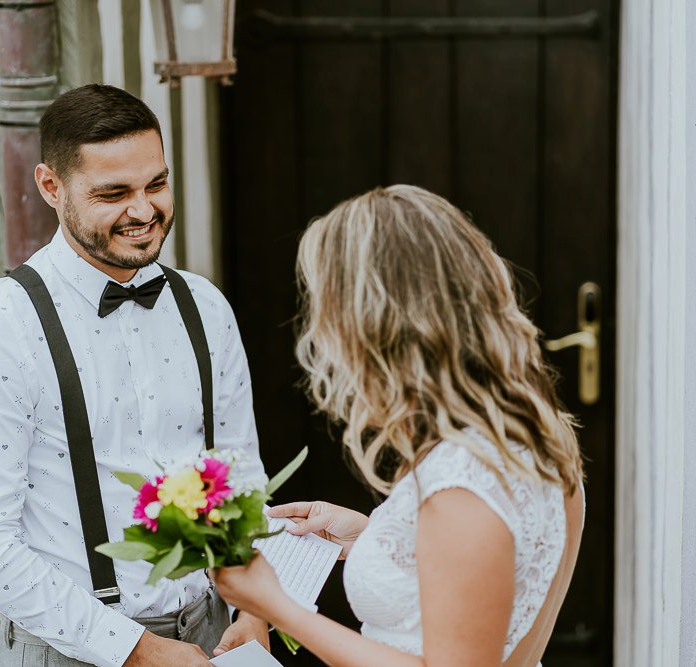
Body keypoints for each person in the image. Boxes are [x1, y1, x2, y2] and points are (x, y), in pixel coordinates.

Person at [0, 84, 269, 667]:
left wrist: (259, 612)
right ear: (50, 186)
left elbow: (240, 477)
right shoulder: (1, 324)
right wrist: (136, 649)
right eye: (114, 193)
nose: (143, 211)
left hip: (216, 641)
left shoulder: (206, 307)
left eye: (156, 184)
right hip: (72, 651)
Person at [212, 185, 586, 666]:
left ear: (374, 325)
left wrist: (277, 607)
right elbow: (486, 593)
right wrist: (371, 541)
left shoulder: (460, 488)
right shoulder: (541, 434)